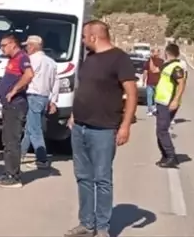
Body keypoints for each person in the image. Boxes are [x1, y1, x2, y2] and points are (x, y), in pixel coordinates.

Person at [65, 20, 138, 237]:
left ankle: (103, 227)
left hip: (104, 130)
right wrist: (73, 115)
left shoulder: (119, 58)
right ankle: (86, 224)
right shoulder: (89, 59)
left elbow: (132, 93)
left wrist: (125, 125)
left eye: (85, 37)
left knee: (102, 179)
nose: (83, 41)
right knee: (83, 177)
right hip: (79, 127)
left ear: (94, 37)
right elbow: (84, 89)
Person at [0, 34, 34, 188]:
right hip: (9, 106)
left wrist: (14, 90)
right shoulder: (12, 60)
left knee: (12, 141)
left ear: (13, 44)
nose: (1, 49)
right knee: (7, 140)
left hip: (16, 105)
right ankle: (8, 172)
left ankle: (14, 176)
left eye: (3, 45)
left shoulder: (21, 57)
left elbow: (29, 74)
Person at [22, 35, 59, 170]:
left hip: (33, 96)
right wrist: (53, 101)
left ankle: (42, 159)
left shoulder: (30, 60)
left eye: (27, 46)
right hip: (44, 98)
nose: (26, 48)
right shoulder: (51, 62)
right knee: (29, 129)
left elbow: (25, 76)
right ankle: (20, 154)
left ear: (32, 46)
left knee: (34, 129)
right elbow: (56, 82)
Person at [153, 43, 187, 169]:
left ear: (167, 53)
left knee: (162, 130)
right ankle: (165, 156)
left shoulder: (176, 67)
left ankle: (171, 156)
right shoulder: (167, 66)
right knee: (159, 131)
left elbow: (181, 83)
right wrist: (152, 58)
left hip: (168, 102)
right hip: (162, 102)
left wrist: (175, 100)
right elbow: (153, 70)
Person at [144, 48, 162, 116]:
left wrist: (143, 80)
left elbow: (146, 71)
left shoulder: (149, 61)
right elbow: (145, 71)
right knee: (155, 97)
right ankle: (154, 109)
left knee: (150, 97)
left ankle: (150, 110)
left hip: (153, 82)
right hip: (155, 82)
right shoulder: (161, 61)